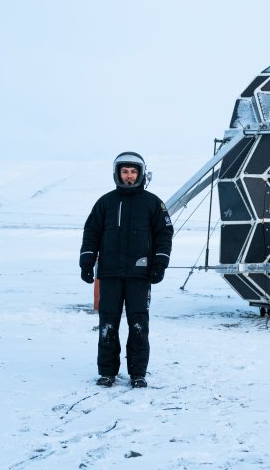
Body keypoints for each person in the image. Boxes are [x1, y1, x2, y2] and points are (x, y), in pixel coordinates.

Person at [79, 151, 174, 388]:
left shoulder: (153, 203)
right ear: (117, 173)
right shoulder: (105, 202)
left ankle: (138, 373)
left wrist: (159, 264)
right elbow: (91, 233)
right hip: (109, 273)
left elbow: (164, 235)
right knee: (108, 324)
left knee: (139, 324)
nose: (129, 176)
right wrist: (86, 262)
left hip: (140, 275)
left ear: (140, 174)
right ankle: (107, 372)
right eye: (125, 171)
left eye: (133, 172)